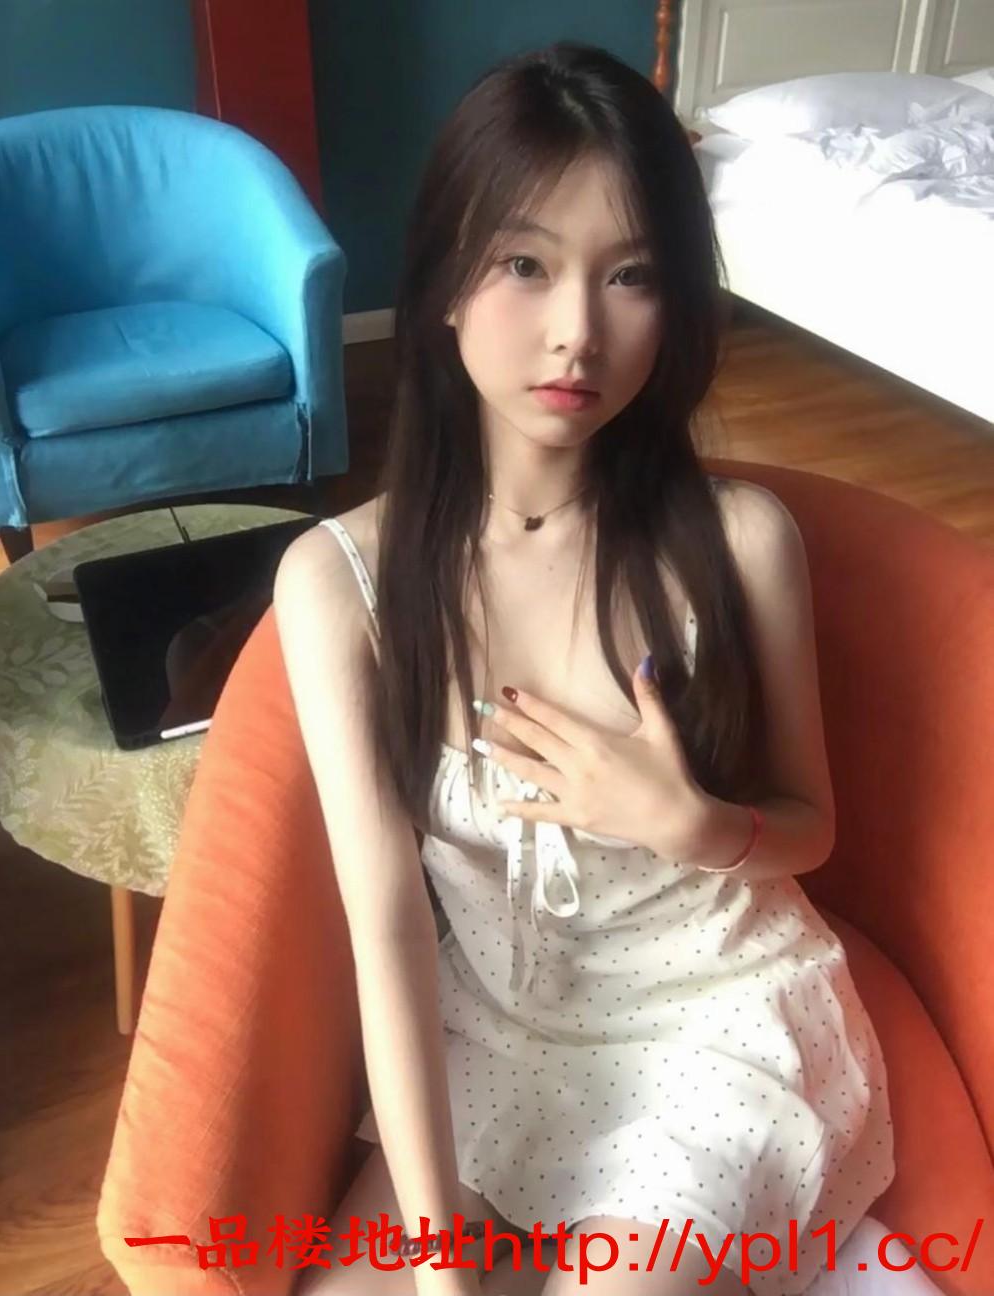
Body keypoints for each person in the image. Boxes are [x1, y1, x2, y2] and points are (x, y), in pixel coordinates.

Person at [274, 41, 896, 1296]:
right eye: (525, 264)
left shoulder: (741, 543)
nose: (577, 333)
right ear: (445, 285)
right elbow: (387, 929)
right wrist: (438, 1263)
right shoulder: (342, 584)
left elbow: (810, 826)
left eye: (631, 276)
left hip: (716, 1026)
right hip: (496, 1034)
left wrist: (692, 822)